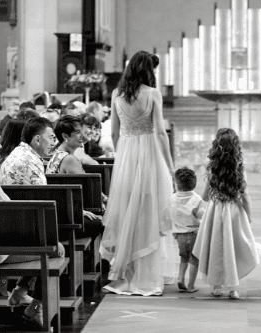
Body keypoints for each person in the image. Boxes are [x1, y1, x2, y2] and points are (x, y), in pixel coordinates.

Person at [99, 51, 176, 296]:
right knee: (148, 210)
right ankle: (147, 274)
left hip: (126, 156)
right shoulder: (152, 94)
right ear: (148, 71)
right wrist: (170, 166)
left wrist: (122, 156)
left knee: (127, 210)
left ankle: (128, 272)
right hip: (149, 154)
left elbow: (113, 133)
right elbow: (161, 133)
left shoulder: (116, 94)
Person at [0, 117, 62, 328]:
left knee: (42, 240)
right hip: (6, 238)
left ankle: (20, 291)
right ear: (36, 139)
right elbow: (43, 203)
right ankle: (36, 307)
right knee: (54, 249)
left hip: (11, 227)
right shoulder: (31, 160)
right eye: (50, 137)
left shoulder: (15, 155)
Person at [192, 128, 259, 300]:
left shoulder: (213, 169)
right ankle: (233, 288)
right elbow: (246, 195)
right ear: (236, 147)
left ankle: (216, 286)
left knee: (216, 247)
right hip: (234, 212)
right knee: (234, 248)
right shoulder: (239, 169)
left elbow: (206, 196)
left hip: (215, 211)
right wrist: (249, 217)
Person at [46, 115, 104, 234]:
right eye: (78, 132)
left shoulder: (59, 153)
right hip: (67, 218)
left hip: (63, 212)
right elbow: (88, 192)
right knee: (106, 220)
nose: (82, 136)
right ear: (65, 136)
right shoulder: (69, 159)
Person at [166, 167, 205, 294]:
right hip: (193, 233)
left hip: (178, 234)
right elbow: (200, 215)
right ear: (194, 184)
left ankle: (180, 278)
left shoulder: (172, 198)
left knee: (183, 257)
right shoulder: (196, 199)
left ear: (177, 184)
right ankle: (191, 285)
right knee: (194, 259)